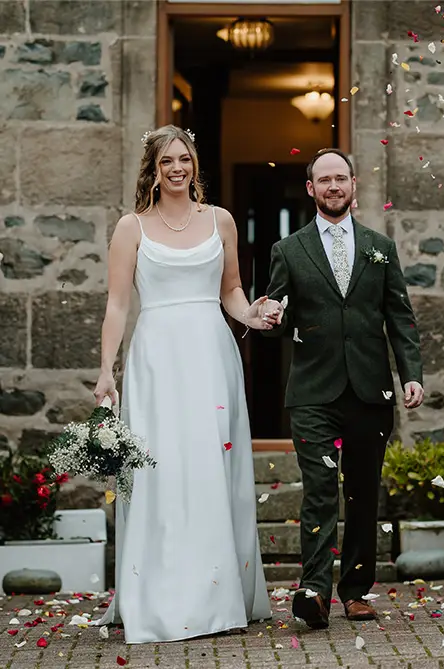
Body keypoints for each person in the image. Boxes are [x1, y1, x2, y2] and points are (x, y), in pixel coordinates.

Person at [91, 125, 274, 643]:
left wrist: (255, 316)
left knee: (209, 466)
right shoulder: (132, 227)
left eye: (185, 159)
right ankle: (158, 598)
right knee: (160, 470)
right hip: (155, 360)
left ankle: (217, 596)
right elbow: (118, 305)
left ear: (195, 165)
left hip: (212, 355)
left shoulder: (220, 221)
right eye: (168, 160)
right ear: (153, 167)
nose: (178, 168)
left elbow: (232, 290)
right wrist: (108, 369)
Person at [259, 148, 424, 629]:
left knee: (363, 494)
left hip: (371, 389)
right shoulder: (288, 250)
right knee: (319, 490)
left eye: (340, 179)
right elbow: (276, 311)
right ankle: (313, 590)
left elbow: (400, 317)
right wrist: (271, 315)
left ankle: (355, 592)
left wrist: (410, 373)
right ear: (310, 189)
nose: (333, 187)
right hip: (313, 390)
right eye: (323, 180)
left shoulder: (381, 247)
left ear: (354, 185)